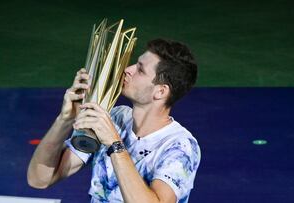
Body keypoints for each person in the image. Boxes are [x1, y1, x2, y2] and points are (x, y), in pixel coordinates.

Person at [27, 38, 201, 203]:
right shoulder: (115, 118)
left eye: (140, 70)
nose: (128, 69)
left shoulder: (180, 146)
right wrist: (65, 119)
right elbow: (39, 179)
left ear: (161, 92)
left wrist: (114, 143)